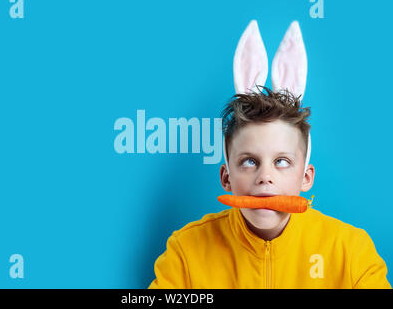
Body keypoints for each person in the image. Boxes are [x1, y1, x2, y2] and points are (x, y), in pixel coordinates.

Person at [147, 20, 391, 289]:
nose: (265, 176)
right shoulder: (185, 253)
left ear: (306, 177)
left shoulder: (351, 253)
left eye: (282, 162)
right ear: (226, 178)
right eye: (249, 161)